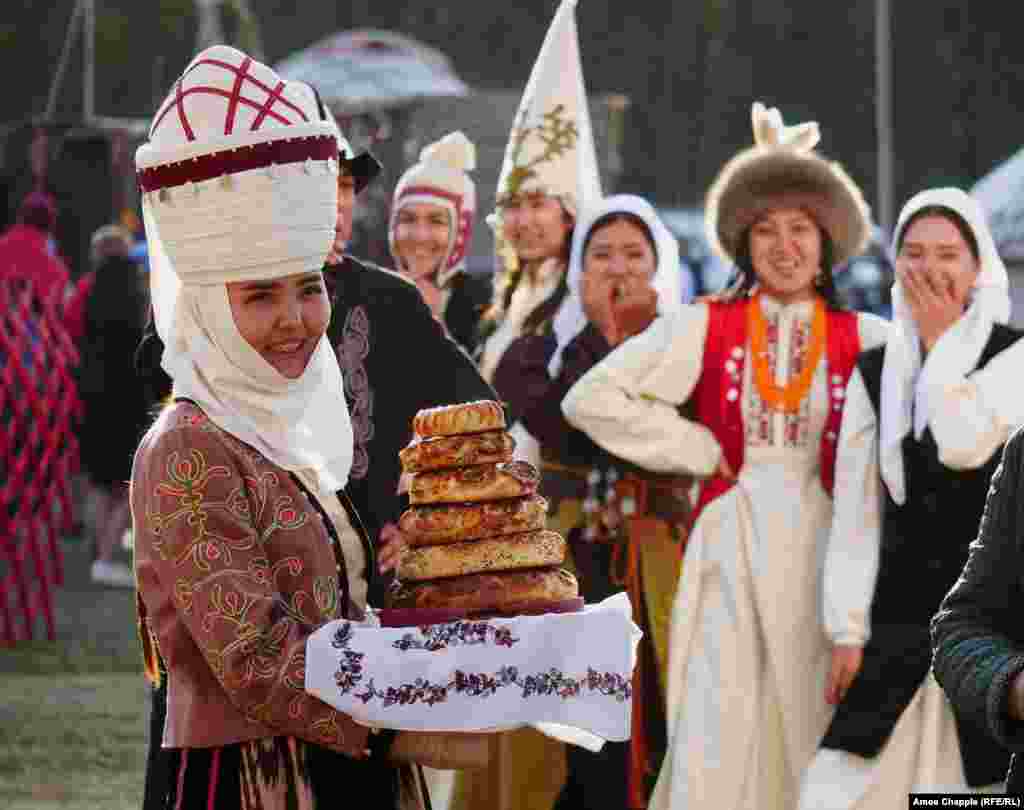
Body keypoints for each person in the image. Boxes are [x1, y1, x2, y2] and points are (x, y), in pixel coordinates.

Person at [133, 46, 487, 809]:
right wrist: (412, 728)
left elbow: (340, 607)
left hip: (355, 761)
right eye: (260, 297)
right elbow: (255, 658)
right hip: (259, 779)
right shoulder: (189, 446)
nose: (295, 320)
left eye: (307, 289)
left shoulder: (292, 428)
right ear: (205, 309)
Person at [562, 102, 890, 810]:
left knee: (812, 732)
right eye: (765, 230)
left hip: (825, 552)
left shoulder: (866, 337)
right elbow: (591, 397)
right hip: (728, 543)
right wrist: (696, 446)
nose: (784, 246)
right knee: (719, 729)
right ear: (743, 244)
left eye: (800, 229)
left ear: (827, 241)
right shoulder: (705, 326)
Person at [826, 188, 1024, 801]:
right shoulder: (875, 368)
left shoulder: (1014, 354)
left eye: (947, 254)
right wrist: (847, 630)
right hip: (897, 616)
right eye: (912, 253)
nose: (929, 270)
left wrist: (940, 348)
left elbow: (962, 444)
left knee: (970, 787)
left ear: (976, 266)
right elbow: (857, 507)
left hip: (987, 623)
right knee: (837, 788)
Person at [451, 3, 600, 809]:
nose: (522, 218)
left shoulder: (579, 306)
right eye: (513, 204)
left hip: (555, 532)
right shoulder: (507, 302)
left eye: (539, 202)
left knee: (543, 707)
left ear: (572, 213)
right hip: (495, 530)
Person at [497, 193, 684, 809]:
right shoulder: (533, 353)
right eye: (601, 254)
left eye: (635, 254)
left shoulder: (690, 345)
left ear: (661, 267)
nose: (619, 269)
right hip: (569, 558)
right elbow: (562, 425)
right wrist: (604, 337)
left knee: (658, 710)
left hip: (661, 555)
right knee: (573, 723)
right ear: (578, 271)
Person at [75, 225, 149, 587]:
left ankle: (96, 550)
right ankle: (105, 558)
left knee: (97, 480)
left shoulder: (88, 290)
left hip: (91, 394)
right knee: (128, 483)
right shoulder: (132, 292)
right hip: (126, 398)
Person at [388, 131, 491, 355]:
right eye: (408, 219)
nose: (420, 235)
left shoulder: (486, 307)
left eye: (436, 221)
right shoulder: (365, 298)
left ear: (461, 230)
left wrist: (433, 323)